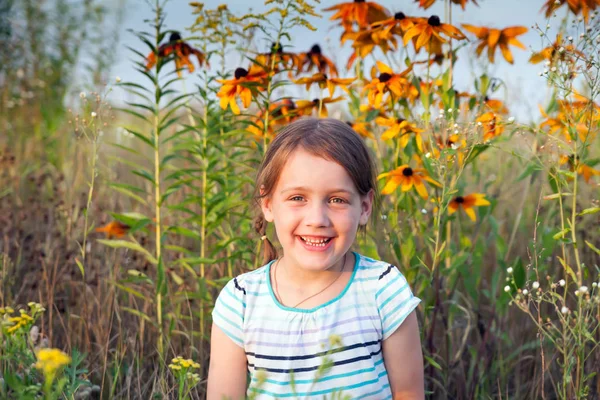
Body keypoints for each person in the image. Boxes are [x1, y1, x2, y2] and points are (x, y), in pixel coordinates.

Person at [207, 117, 424, 399]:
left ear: (365, 207)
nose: (317, 219)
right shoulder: (240, 301)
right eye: (298, 198)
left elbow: (408, 393)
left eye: (337, 200)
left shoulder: (383, 289)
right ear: (268, 204)